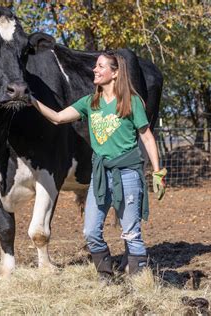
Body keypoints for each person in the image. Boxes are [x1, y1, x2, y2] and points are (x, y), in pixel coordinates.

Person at [30, 52, 166, 282]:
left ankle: (140, 281)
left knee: (131, 232)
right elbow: (57, 117)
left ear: (115, 73)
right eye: (95, 66)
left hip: (128, 173)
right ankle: (105, 277)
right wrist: (32, 101)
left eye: (100, 66)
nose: (94, 69)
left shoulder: (131, 101)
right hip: (100, 174)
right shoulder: (90, 102)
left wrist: (158, 171)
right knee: (91, 231)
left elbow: (147, 137)